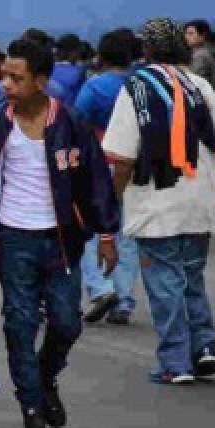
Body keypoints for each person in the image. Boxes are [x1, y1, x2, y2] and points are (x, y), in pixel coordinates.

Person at [0, 38, 119, 428]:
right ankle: (30, 409)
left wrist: (107, 233)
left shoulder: (71, 123)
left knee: (67, 322)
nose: (6, 83)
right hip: (15, 239)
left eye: (16, 77)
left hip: (62, 240)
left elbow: (96, 180)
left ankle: (45, 380)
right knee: (19, 324)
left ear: (41, 80)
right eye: (4, 76)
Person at [102, 18, 215, 385]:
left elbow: (124, 159)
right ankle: (204, 347)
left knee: (164, 281)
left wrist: (110, 204)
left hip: (156, 202)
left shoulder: (137, 87)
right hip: (200, 199)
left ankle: (175, 362)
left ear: (146, 50)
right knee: (191, 275)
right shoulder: (200, 85)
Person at [74, 29, 142, 325]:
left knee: (91, 231)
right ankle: (124, 299)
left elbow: (76, 126)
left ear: (101, 56)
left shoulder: (94, 87)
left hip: (101, 163)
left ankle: (102, 288)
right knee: (126, 234)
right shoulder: (139, 86)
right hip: (135, 164)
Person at [51, 34, 87, 106]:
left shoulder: (47, 69)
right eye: (79, 51)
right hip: (67, 112)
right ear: (73, 52)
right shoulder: (79, 72)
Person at [185, 20, 215, 85]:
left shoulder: (201, 55)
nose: (186, 37)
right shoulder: (207, 51)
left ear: (203, 35)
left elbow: (191, 78)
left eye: (191, 33)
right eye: (186, 33)